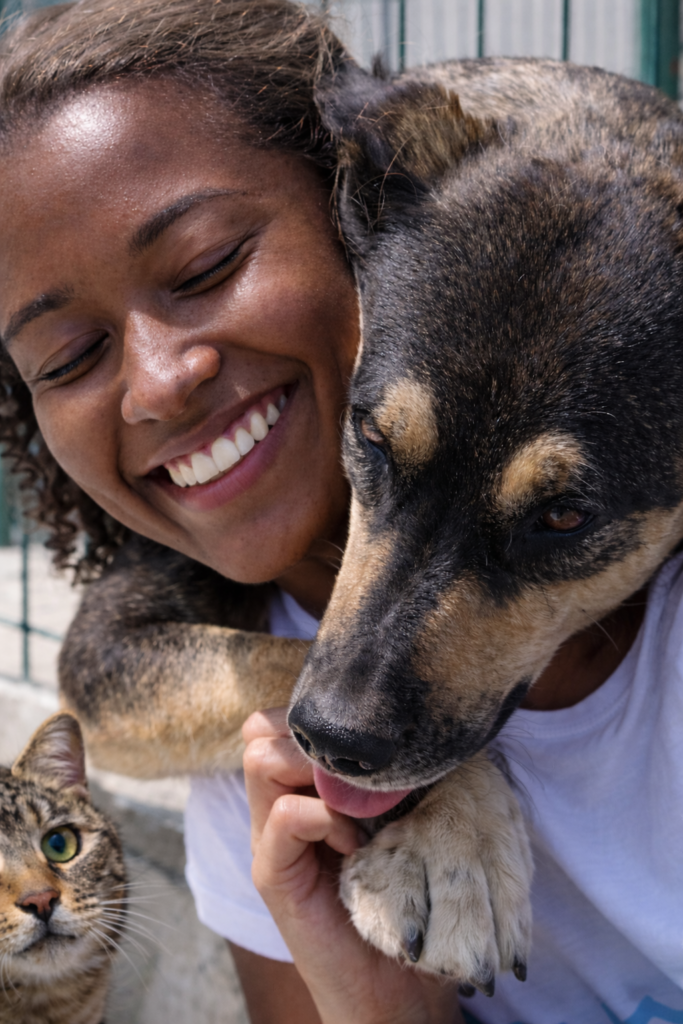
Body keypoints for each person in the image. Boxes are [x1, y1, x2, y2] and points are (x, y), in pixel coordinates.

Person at [0, 1, 681, 1022]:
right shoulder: (255, 749)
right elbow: (109, 685)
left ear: (341, 216)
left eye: (206, 266)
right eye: (67, 357)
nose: (159, 383)